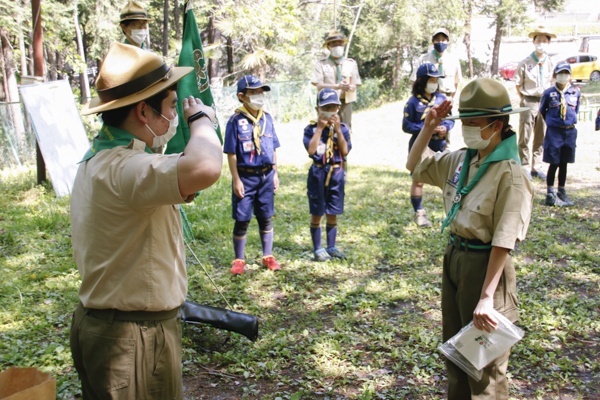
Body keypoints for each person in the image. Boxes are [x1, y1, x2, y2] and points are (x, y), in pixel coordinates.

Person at [70, 43, 223, 399]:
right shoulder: (126, 168)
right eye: (172, 106)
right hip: (132, 336)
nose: (176, 115)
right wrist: (202, 120)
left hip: (117, 327)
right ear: (143, 111)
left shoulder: (102, 159)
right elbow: (205, 166)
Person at [406, 78, 534, 399]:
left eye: (474, 124)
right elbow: (415, 166)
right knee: (457, 356)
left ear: (498, 125)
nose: (467, 130)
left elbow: (504, 240)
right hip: (455, 259)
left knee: (484, 369)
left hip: (486, 267)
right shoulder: (464, 159)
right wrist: (429, 126)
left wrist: (487, 297)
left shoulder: (510, 173)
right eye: (464, 123)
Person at [224, 75, 282, 275]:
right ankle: (239, 259)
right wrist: (236, 179)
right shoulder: (235, 120)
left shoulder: (266, 118)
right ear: (242, 96)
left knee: (266, 217)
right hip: (245, 178)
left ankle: (268, 255)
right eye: (254, 92)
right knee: (243, 218)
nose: (260, 95)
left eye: (261, 92)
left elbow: (273, 146)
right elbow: (231, 153)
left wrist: (275, 173)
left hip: (266, 176)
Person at [403, 63, 454, 227]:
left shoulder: (441, 99)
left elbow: (451, 120)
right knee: (418, 180)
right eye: (431, 80)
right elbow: (406, 125)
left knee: (450, 179)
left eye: (436, 80)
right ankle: (419, 213)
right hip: (421, 148)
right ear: (422, 81)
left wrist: (445, 128)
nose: (434, 83)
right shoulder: (412, 102)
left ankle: (452, 213)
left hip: (440, 145)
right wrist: (426, 129)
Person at [303, 88, 352, 261]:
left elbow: (344, 151)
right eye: (326, 107)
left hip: (336, 171)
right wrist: (319, 129)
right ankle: (318, 248)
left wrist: (338, 130)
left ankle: (331, 246)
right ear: (318, 109)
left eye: (334, 107)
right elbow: (311, 150)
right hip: (318, 172)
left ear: (339, 109)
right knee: (317, 210)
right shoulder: (311, 129)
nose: (330, 111)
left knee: (333, 210)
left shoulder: (344, 129)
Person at [514, 26, 556, 181]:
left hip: (545, 103)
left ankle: (536, 168)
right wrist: (524, 99)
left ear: (548, 43)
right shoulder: (525, 62)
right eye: (539, 40)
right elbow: (518, 84)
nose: (541, 44)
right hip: (529, 101)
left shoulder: (550, 63)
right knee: (525, 136)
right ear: (533, 42)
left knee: (540, 137)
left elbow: (553, 82)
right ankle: (524, 166)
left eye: (544, 41)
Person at [539, 61, 581, 207]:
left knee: (564, 162)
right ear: (555, 75)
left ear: (570, 75)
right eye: (560, 73)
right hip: (554, 132)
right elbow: (543, 111)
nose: (563, 76)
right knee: (554, 162)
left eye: (566, 73)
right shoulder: (549, 93)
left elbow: (575, 111)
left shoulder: (575, 92)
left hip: (569, 132)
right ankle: (550, 193)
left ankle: (561, 191)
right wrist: (553, 123)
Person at [311, 31, 362, 127]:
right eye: (334, 44)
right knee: (326, 129)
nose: (338, 46)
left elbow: (355, 84)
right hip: (327, 102)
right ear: (328, 47)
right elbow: (318, 84)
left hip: (344, 102)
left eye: (340, 43)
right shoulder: (321, 64)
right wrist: (337, 86)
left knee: (345, 129)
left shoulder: (351, 63)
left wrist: (350, 87)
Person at [410, 28, 462, 100]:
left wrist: (450, 100)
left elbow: (456, 83)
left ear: (447, 41)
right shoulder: (424, 59)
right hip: (427, 99)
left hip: (446, 99)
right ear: (433, 42)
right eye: (437, 40)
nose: (440, 42)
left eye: (443, 40)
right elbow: (414, 81)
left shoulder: (454, 60)